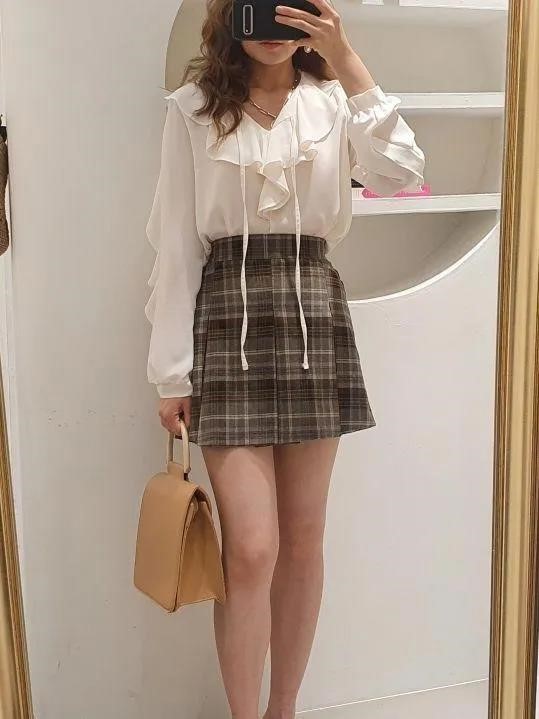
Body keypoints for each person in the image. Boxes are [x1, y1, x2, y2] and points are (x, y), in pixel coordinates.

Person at [144, 1, 425, 717]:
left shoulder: (332, 102)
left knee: (303, 541)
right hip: (225, 319)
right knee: (252, 548)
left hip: (313, 318)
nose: (272, 28)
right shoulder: (192, 110)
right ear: (228, 15)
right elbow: (175, 244)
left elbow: (401, 173)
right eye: (256, 8)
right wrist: (171, 371)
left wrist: (348, 60)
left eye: (290, 9)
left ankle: (284, 709)